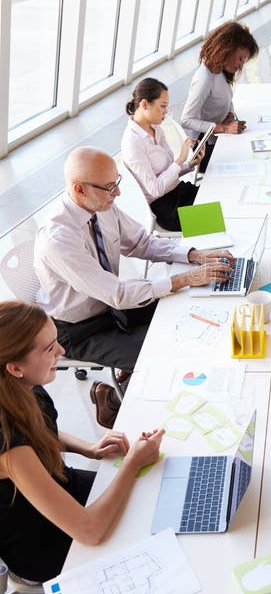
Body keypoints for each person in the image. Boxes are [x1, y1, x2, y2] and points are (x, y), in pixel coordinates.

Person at [34, 147, 234, 425]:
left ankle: (125, 372)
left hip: (111, 306)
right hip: (80, 329)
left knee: (189, 314)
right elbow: (119, 294)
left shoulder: (100, 205)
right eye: (109, 187)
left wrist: (193, 254)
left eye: (117, 182)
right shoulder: (59, 239)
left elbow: (142, 242)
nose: (117, 194)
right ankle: (111, 402)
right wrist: (186, 278)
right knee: (158, 358)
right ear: (79, 190)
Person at [0, 301, 165, 582]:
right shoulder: (11, 450)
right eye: (49, 348)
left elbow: (40, 432)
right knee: (148, 536)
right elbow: (89, 531)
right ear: (15, 368)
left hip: (60, 484)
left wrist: (87, 448)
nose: (62, 351)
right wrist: (133, 463)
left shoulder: (22, 385)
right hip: (45, 542)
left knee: (151, 498)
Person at [121, 77, 202, 232]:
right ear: (145, 104)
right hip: (168, 210)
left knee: (224, 201)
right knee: (220, 216)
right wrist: (180, 160)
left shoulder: (156, 129)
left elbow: (168, 172)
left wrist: (189, 165)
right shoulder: (133, 143)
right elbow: (155, 190)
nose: (166, 111)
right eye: (163, 106)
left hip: (180, 192)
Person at [180, 21, 259, 170]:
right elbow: (186, 120)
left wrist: (229, 113)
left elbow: (227, 98)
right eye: (241, 58)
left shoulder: (221, 70)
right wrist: (223, 128)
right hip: (206, 150)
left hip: (219, 140)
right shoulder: (205, 78)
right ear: (228, 49)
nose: (241, 66)